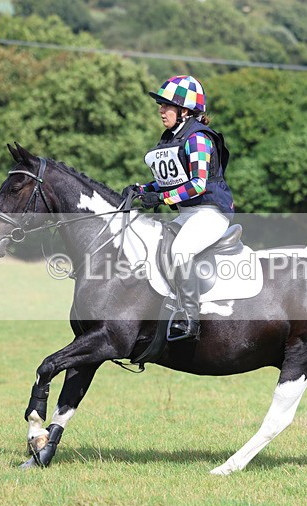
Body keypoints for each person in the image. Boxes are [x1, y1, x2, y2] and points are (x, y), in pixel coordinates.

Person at [132, 75, 234, 342]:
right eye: (161, 105)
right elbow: (170, 180)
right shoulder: (172, 138)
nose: (161, 110)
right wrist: (143, 190)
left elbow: (198, 185)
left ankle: (190, 319)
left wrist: (162, 199)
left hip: (210, 213)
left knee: (180, 250)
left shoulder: (198, 138)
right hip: (188, 216)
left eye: (166, 105)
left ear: (185, 111)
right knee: (156, 244)